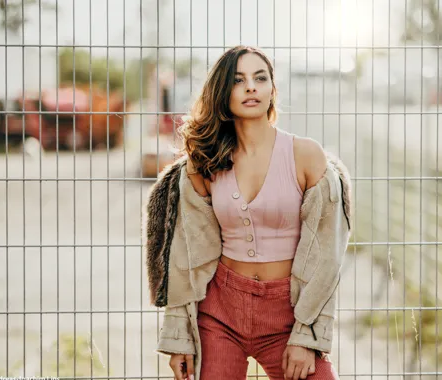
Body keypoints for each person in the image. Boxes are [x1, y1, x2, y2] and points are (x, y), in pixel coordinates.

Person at [144, 45, 352, 380]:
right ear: (222, 92)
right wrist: (179, 336)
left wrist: (306, 334)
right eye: (238, 80)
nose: (251, 86)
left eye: (260, 78)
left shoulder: (306, 155)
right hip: (220, 311)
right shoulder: (204, 163)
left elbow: (327, 256)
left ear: (272, 90)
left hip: (288, 312)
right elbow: (186, 254)